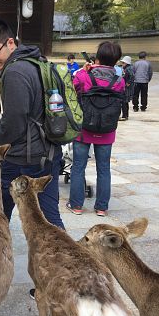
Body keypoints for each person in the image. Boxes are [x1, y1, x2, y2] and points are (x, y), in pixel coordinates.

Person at [0, 18, 65, 228]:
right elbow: (28, 112)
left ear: (9, 43)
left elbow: (15, 124)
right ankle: (67, 259)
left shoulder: (15, 72)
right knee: (50, 221)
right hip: (48, 152)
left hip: (23, 157)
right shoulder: (38, 62)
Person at [68, 41, 125, 217]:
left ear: (97, 57)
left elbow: (72, 86)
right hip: (107, 131)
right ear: (116, 60)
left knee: (78, 167)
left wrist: (85, 70)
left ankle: (77, 205)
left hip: (84, 129)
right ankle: (101, 207)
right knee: (104, 168)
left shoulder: (85, 76)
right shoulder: (119, 80)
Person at [119, 56, 135, 121]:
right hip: (126, 87)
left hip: (127, 88)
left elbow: (132, 76)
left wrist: (128, 82)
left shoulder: (128, 69)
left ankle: (124, 116)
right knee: (125, 102)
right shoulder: (128, 68)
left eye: (123, 62)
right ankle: (125, 115)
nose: (122, 64)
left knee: (124, 102)